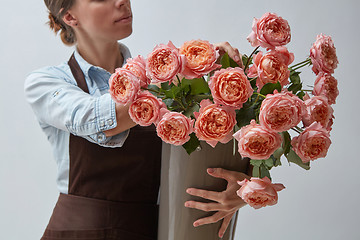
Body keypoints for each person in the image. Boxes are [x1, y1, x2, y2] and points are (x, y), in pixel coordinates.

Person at [24, 0, 250, 239]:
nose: (121, 1)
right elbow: (100, 119)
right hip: (79, 233)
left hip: (150, 230)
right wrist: (184, 75)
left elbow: (212, 152)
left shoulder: (160, 79)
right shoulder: (47, 83)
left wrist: (243, 187)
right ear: (69, 16)